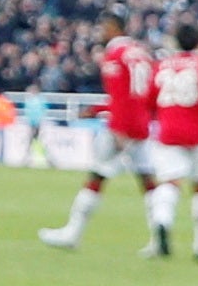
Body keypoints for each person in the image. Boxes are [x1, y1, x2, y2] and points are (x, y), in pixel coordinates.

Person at [41, 29, 153, 250]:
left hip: (121, 127)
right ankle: (159, 235)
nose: (100, 32)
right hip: (141, 124)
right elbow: (140, 94)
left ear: (113, 27)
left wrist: (119, 127)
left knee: (96, 176)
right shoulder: (141, 53)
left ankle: (72, 233)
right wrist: (98, 109)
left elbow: (120, 96)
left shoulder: (115, 55)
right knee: (148, 181)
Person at [146, 19, 198, 262]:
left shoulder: (162, 65)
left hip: (168, 130)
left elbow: (149, 99)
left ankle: (162, 221)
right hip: (197, 131)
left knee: (170, 182)